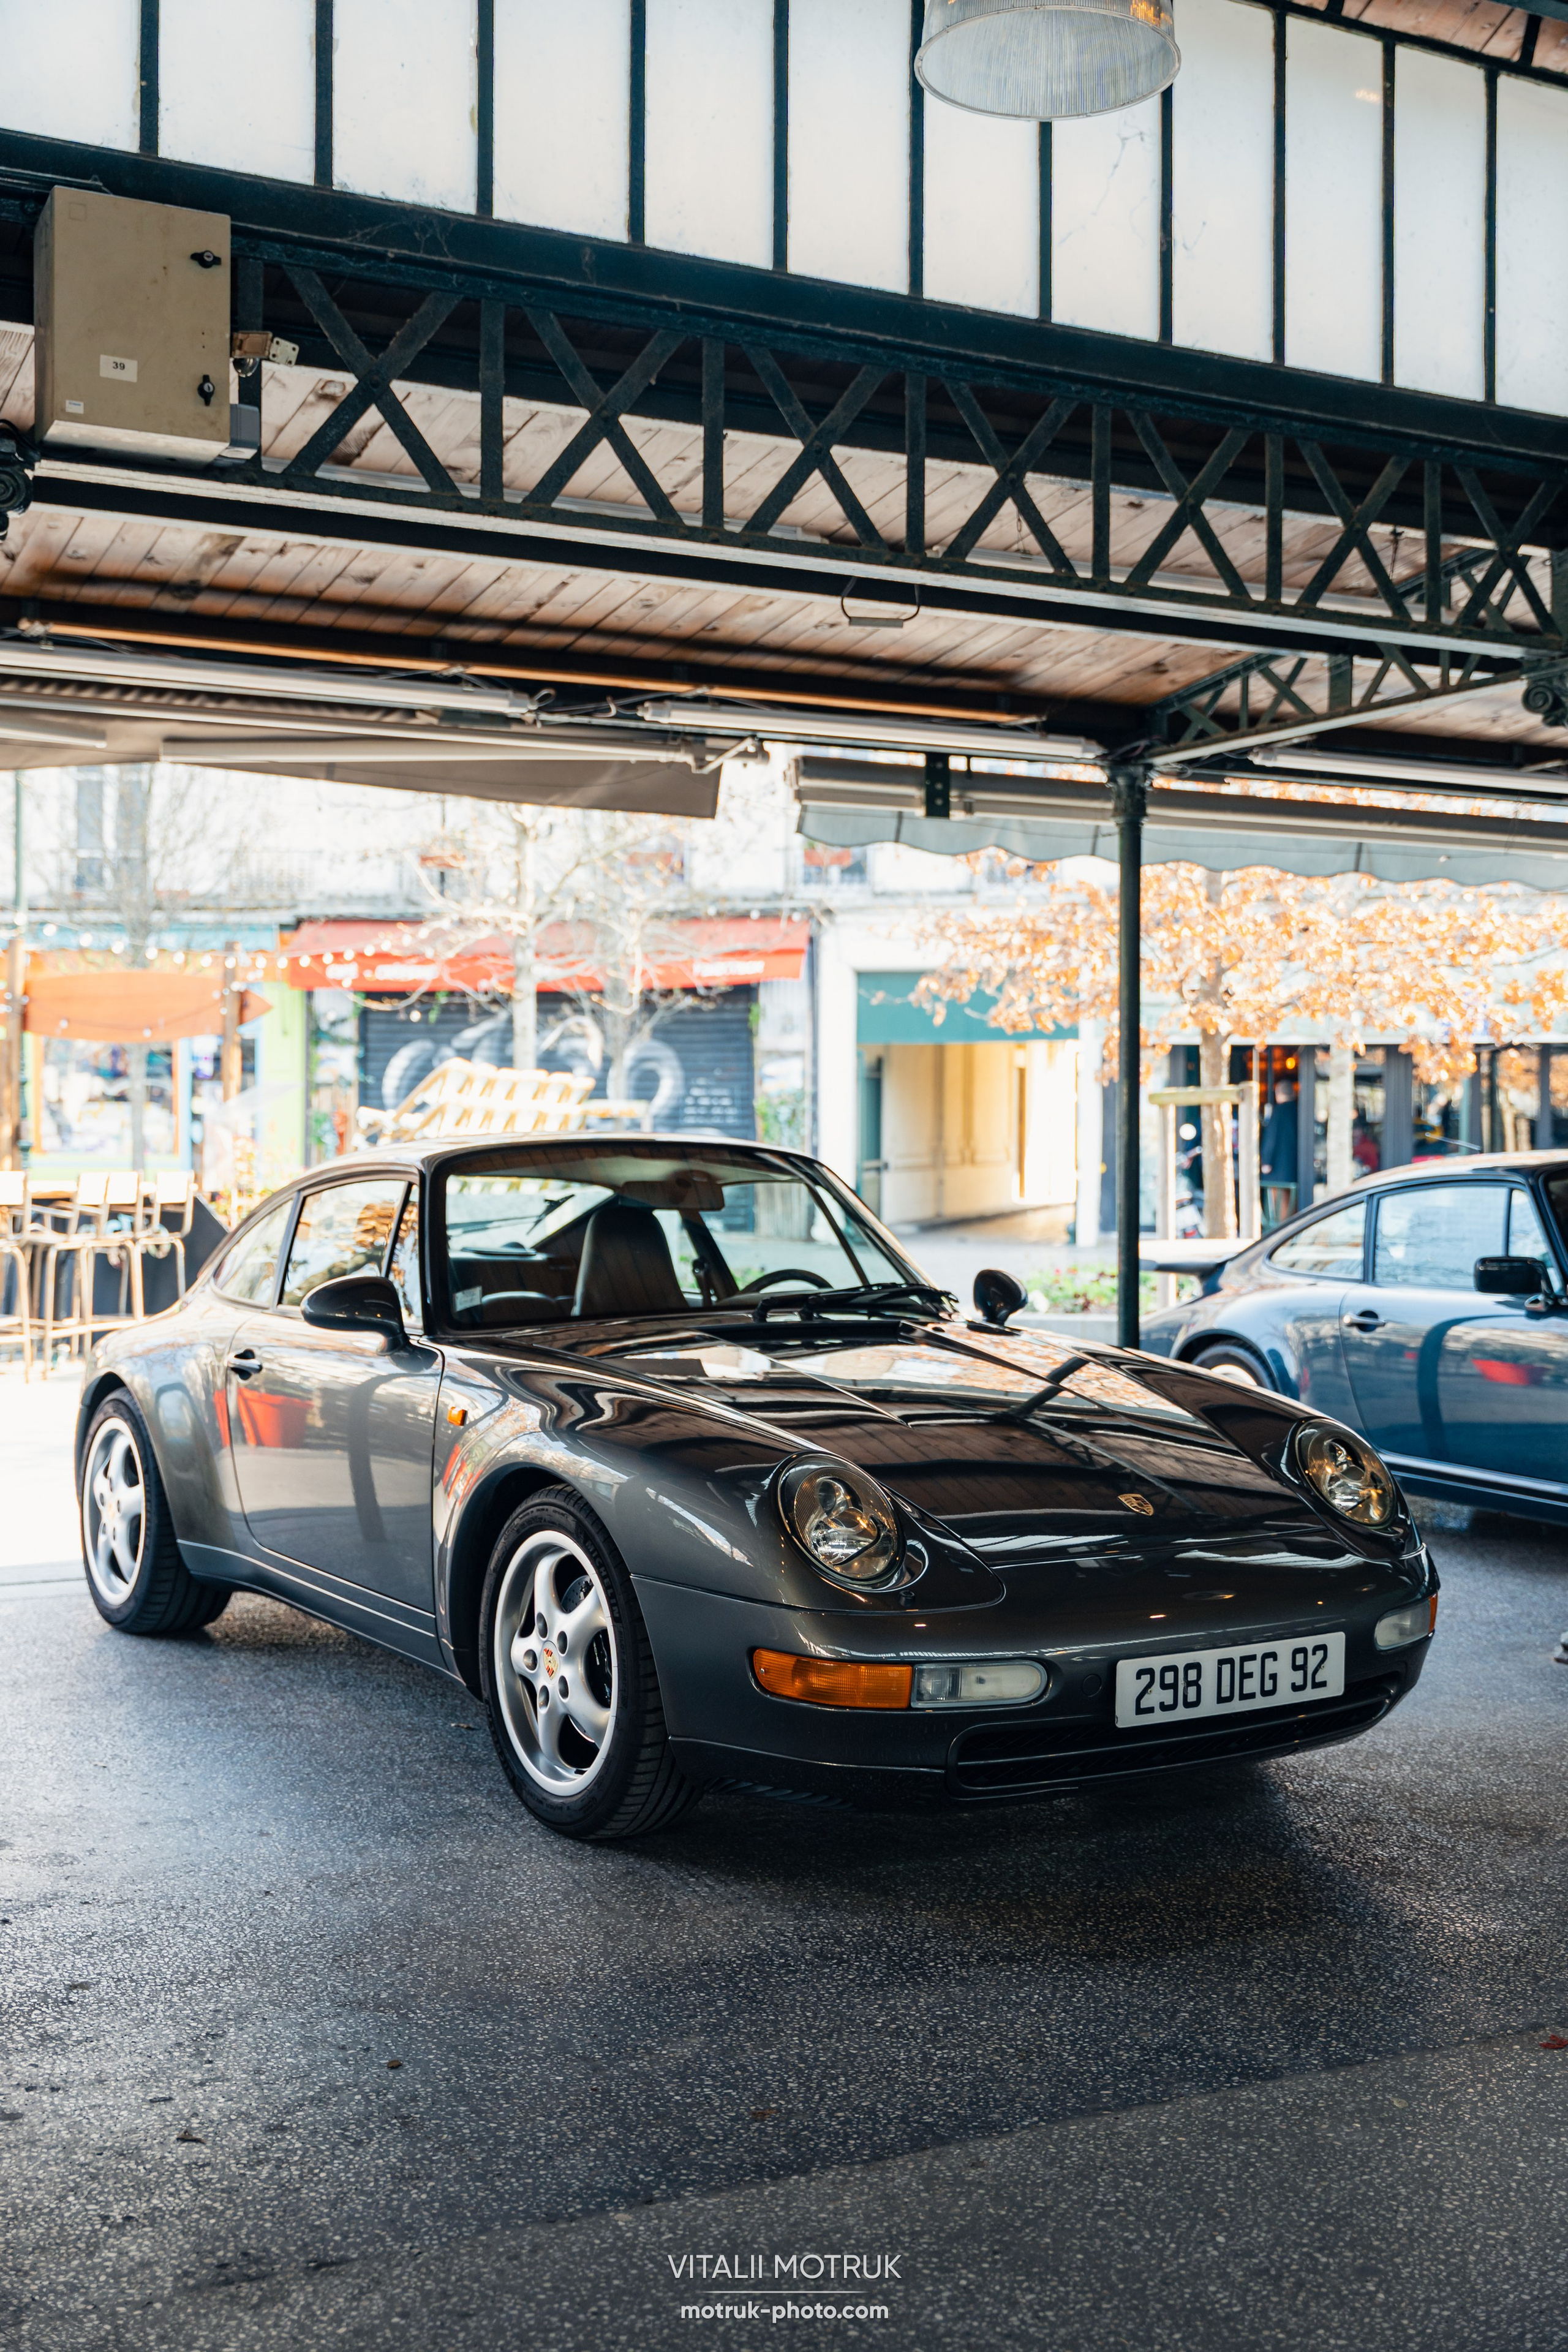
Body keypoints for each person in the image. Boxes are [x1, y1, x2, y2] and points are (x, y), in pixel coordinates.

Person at [1259, 1079, 1298, 1227]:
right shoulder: (1298, 1110)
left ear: (1278, 1094)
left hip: (1278, 1169)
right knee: (1293, 1204)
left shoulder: (1279, 1112)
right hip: (1295, 1166)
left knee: (1280, 1206)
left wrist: (1266, 1162)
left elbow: (1272, 1138)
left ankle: (1284, 1232)